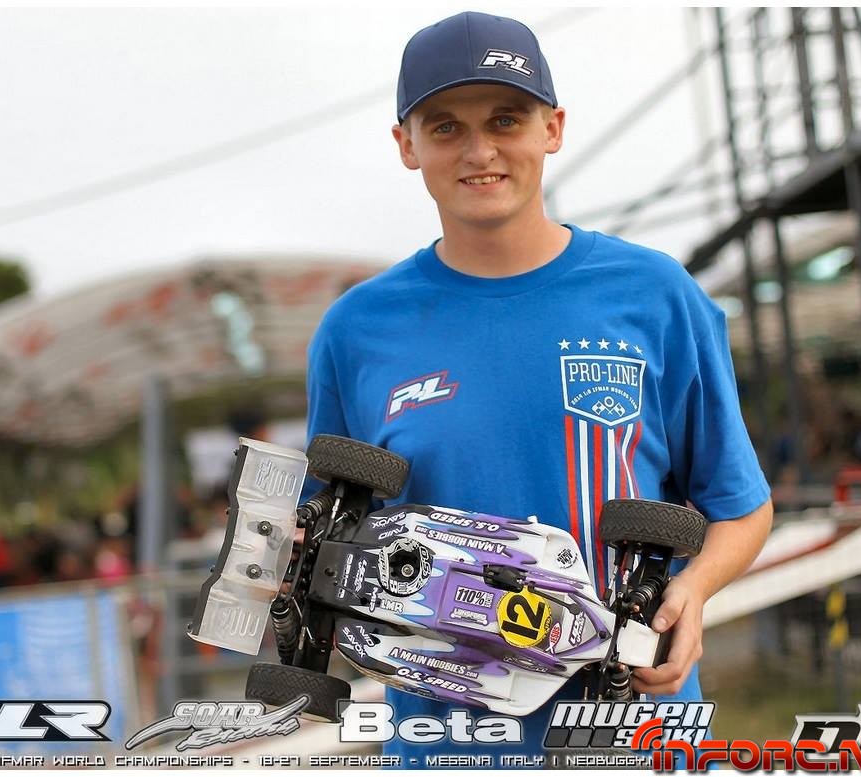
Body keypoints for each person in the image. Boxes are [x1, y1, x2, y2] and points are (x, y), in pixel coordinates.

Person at [303, 10, 774, 761]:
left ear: (552, 129)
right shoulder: (356, 331)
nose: (480, 151)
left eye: (505, 119)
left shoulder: (654, 295)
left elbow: (741, 507)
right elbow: (320, 532)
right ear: (406, 145)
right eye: (446, 127)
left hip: (633, 735)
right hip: (448, 743)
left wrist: (692, 591)